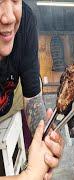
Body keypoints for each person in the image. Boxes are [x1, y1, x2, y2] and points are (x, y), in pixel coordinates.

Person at [0, 0, 63, 178]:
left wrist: (47, 147)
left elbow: (33, 100)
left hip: (12, 105)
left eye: (14, 0)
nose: (9, 18)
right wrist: (26, 177)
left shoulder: (25, 20)